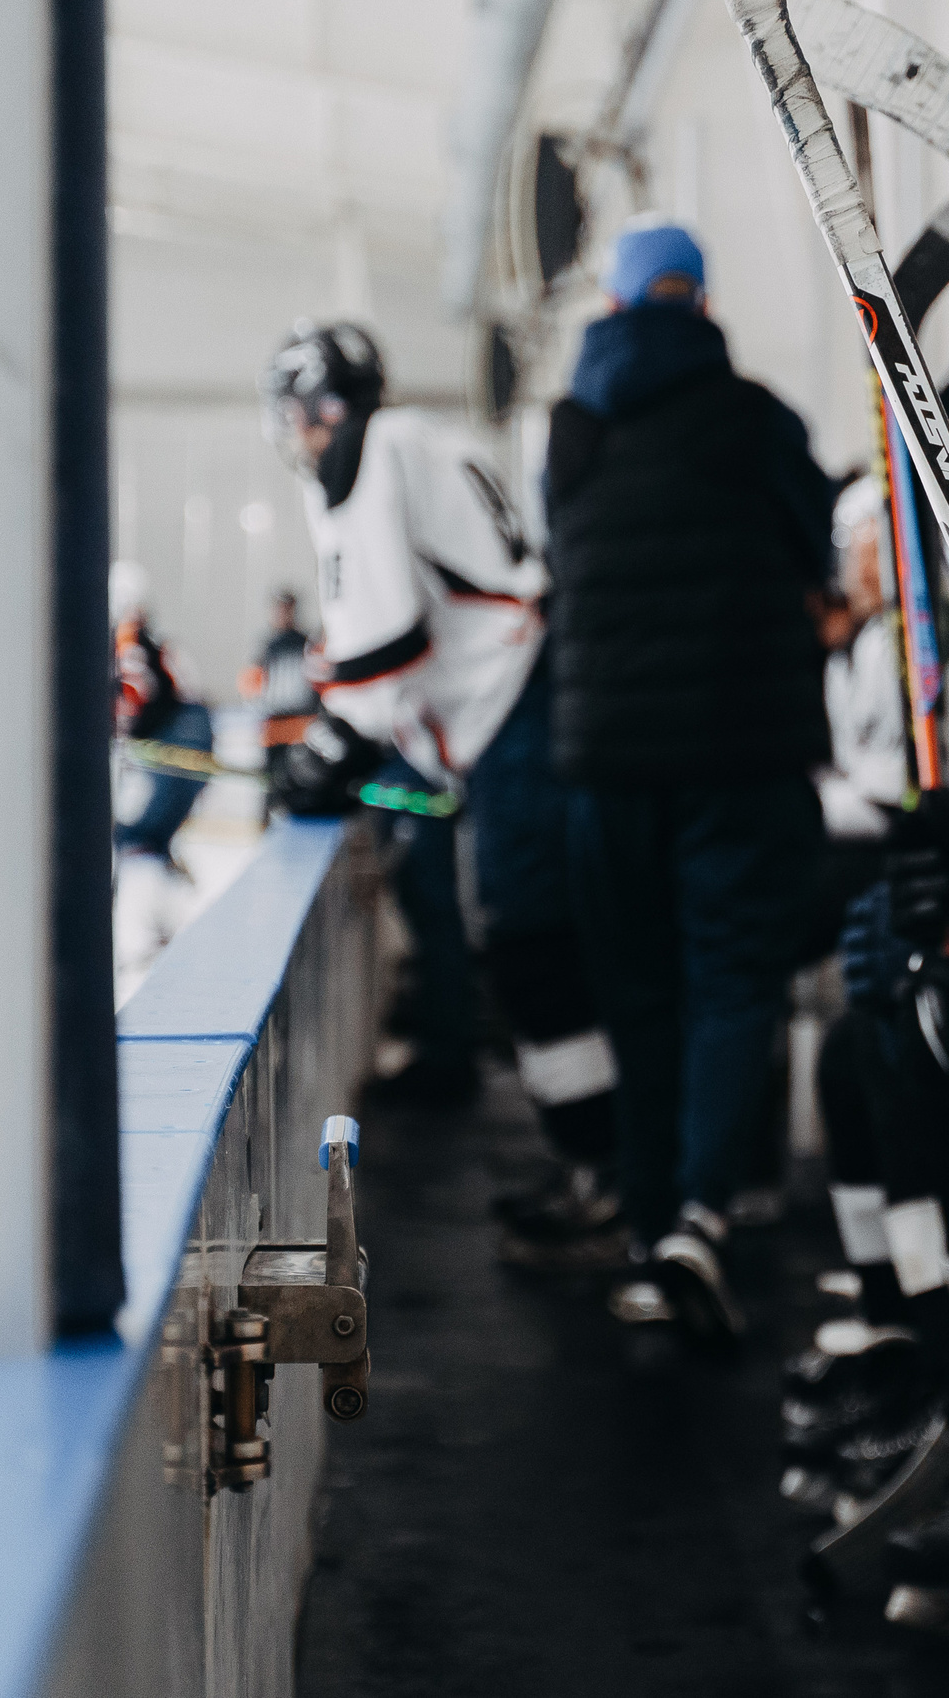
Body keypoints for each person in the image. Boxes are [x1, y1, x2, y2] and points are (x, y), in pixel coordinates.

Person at [544, 218, 835, 1342]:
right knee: (729, 982)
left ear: (614, 307)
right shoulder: (755, 419)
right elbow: (813, 548)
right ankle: (699, 1222)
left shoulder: (570, 432)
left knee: (638, 990)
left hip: (603, 758)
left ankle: (644, 1210)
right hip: (739, 746)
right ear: (701, 305)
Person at [263, 325, 623, 1235]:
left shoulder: (373, 455)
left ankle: (609, 1182)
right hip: (519, 711)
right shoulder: (418, 439)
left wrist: (336, 745)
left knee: (533, 942)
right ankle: (609, 1173)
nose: (298, 436)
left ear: (322, 409)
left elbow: (385, 640)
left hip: (513, 716)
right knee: (543, 943)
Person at [111, 560, 210, 976]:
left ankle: (153, 930)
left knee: (137, 840)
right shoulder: (153, 640)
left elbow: (138, 696)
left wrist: (120, 728)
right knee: (145, 839)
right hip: (191, 740)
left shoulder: (131, 638)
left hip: (178, 744)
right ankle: (175, 921)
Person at [240, 587, 320, 789]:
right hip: (273, 726)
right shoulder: (267, 645)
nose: (283, 613)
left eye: (287, 608)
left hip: (301, 727)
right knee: (271, 785)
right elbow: (251, 682)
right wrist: (257, 703)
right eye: (279, 608)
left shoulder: (305, 642)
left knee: (299, 783)